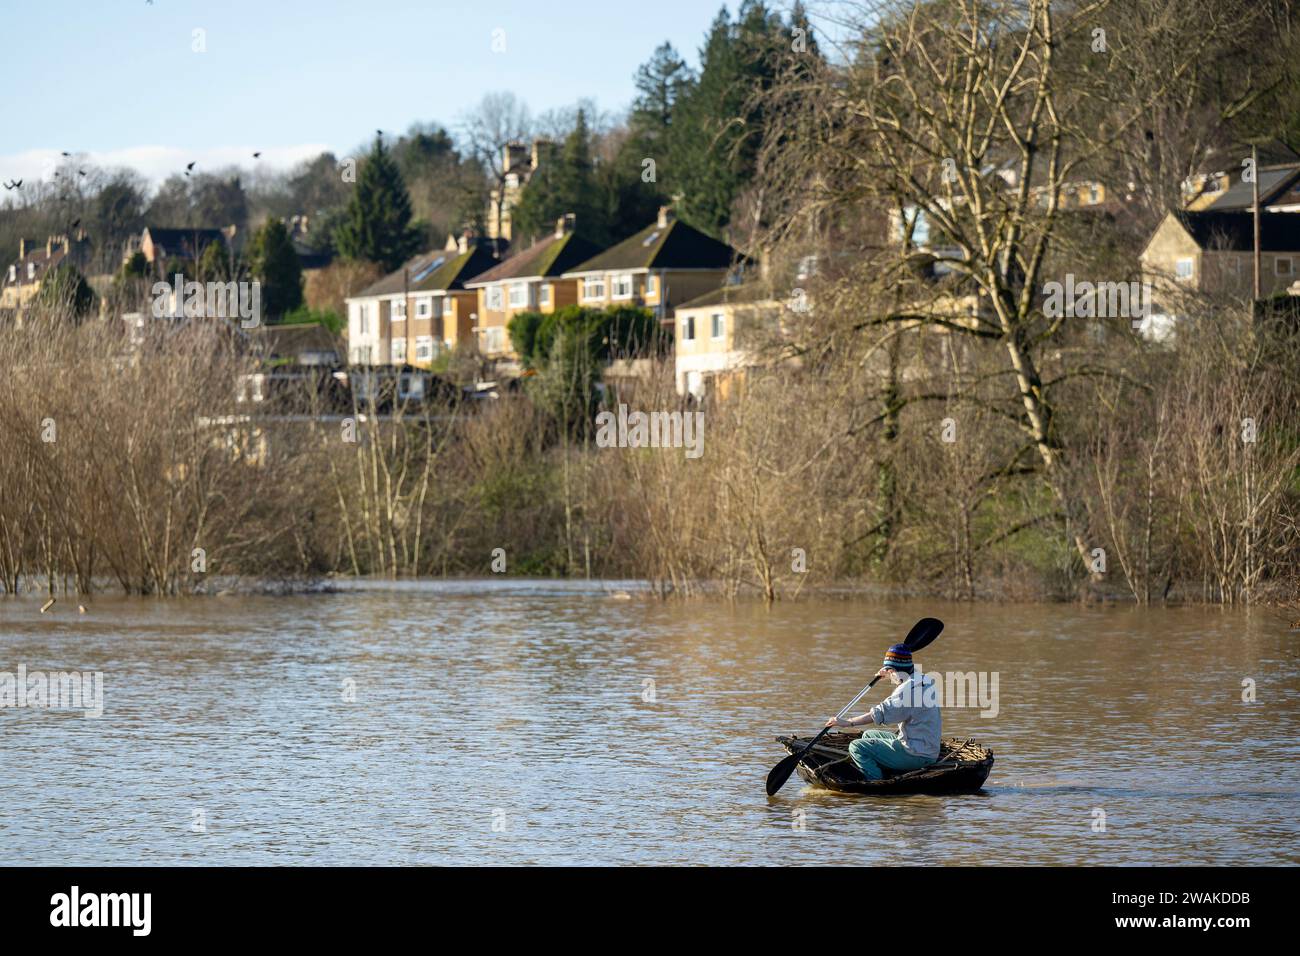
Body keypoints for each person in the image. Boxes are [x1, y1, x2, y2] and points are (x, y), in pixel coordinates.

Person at [825, 643, 940, 780]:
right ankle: (888, 766)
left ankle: (874, 780)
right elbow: (904, 685)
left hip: (916, 755)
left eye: (890, 671)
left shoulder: (906, 692)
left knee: (856, 746)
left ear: (895, 670)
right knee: (868, 735)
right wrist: (890, 674)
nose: (889, 675)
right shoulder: (924, 679)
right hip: (926, 747)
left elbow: (879, 714)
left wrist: (847, 723)